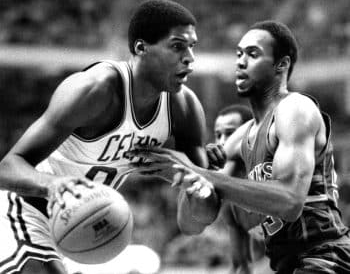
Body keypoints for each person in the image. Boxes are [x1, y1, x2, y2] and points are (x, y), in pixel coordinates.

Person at [0, 0, 219, 274]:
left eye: (192, 47)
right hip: (25, 212)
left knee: (144, 264)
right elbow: (7, 168)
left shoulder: (184, 109)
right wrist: (53, 185)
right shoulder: (95, 89)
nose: (190, 57)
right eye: (177, 46)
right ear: (141, 48)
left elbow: (194, 224)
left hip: (83, 226)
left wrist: (190, 178)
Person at [132, 20, 350, 273]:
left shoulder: (295, 109)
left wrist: (200, 172)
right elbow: (195, 222)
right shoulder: (239, 138)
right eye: (239, 54)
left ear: (282, 64)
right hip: (288, 265)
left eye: (253, 54)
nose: (241, 61)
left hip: (326, 256)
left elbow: (290, 202)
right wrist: (188, 179)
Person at [211, 104, 271, 274]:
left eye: (230, 134)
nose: (223, 142)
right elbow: (240, 265)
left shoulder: (270, 176)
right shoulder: (227, 195)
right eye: (218, 135)